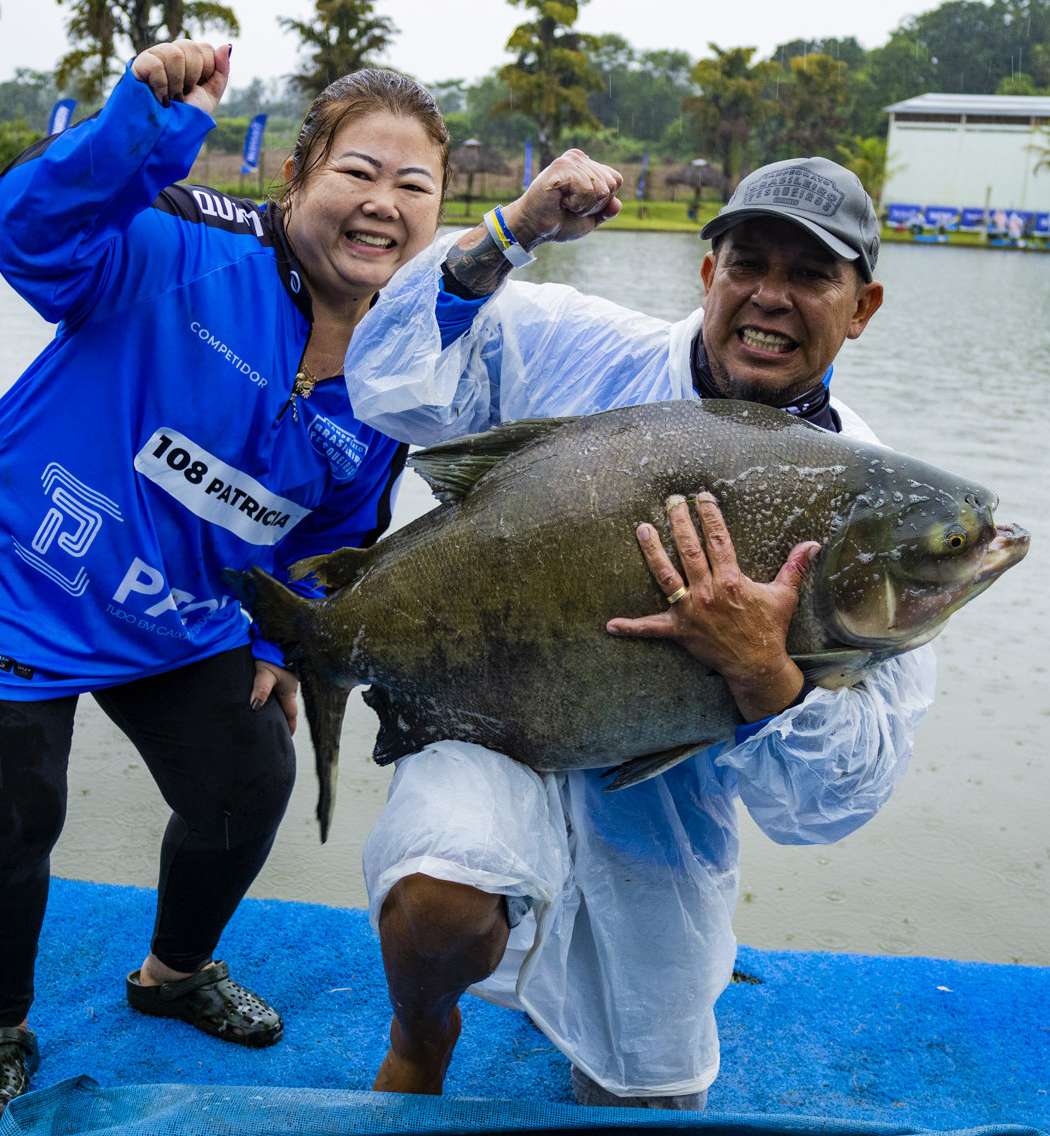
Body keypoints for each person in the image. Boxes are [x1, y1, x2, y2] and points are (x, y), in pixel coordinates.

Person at [0, 40, 450, 1126]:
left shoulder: (404, 365)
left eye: (413, 184)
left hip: (180, 618)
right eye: (357, 170)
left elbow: (337, 524)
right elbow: (27, 232)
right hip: (10, 579)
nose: (382, 202)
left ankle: (174, 971)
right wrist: (135, 131)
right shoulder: (180, 240)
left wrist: (276, 639)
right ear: (296, 179)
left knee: (250, 776)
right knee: (4, 821)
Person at [342, 155, 936, 1108]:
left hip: (664, 782)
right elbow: (389, 380)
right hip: (498, 710)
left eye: (811, 275)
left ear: (862, 306)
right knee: (439, 899)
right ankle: (421, 1033)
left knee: (648, 1093)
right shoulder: (581, 347)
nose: (770, 297)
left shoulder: (876, 501)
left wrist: (764, 674)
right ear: (708, 276)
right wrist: (509, 232)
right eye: (747, 262)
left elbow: (832, 801)